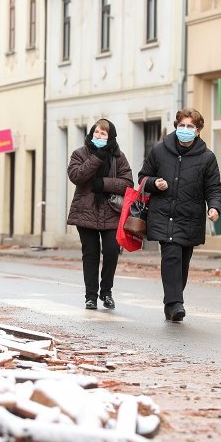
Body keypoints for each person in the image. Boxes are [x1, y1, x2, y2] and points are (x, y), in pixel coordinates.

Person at [138, 107, 221, 322]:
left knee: (183, 262)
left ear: (198, 131)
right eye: (182, 125)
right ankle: (175, 303)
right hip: (163, 214)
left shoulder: (207, 158)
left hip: (190, 216)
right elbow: (142, 178)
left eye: (190, 127)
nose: (185, 129)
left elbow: (214, 187)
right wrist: (153, 183)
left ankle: (172, 302)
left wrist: (214, 207)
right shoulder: (159, 150)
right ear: (176, 127)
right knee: (171, 256)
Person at [67, 118, 134, 310]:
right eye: (96, 132)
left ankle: (106, 291)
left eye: (103, 134)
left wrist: (103, 184)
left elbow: (128, 183)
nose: (99, 136)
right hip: (86, 211)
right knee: (91, 254)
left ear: (110, 136)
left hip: (111, 212)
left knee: (112, 251)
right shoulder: (79, 153)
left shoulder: (118, 156)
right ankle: (90, 296)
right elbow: (76, 176)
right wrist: (97, 157)